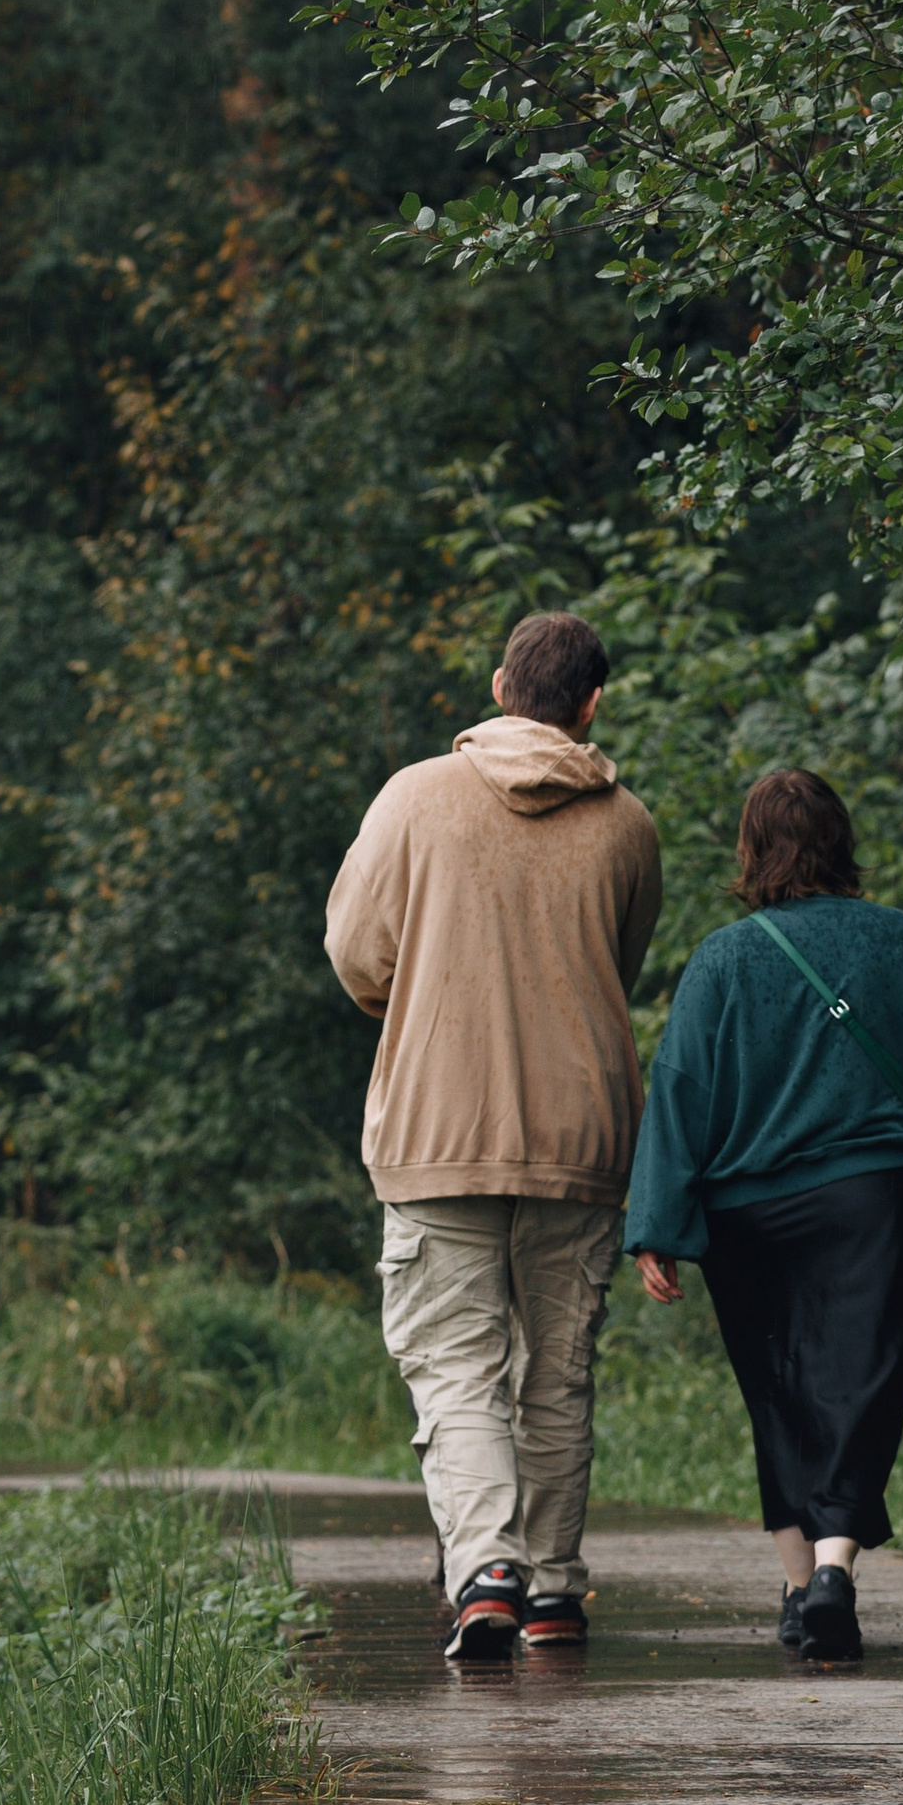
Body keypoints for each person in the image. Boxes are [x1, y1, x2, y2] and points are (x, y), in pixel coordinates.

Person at [326, 611, 663, 1664]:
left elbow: (354, 954)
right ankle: (555, 1587)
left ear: (497, 685)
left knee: (454, 1363)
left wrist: (418, 998)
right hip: (583, 1130)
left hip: (438, 1126)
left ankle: (487, 1569)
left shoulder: (412, 798)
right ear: (592, 703)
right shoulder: (629, 827)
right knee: (557, 1372)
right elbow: (626, 960)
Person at [623, 768, 903, 1663]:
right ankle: (829, 1572)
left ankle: (801, 1586)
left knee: (779, 1386)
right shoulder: (899, 942)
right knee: (863, 1378)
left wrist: (657, 1222)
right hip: (881, 1196)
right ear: (842, 843)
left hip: (752, 1208)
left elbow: (680, 1092)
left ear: (751, 851)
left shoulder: (723, 958)